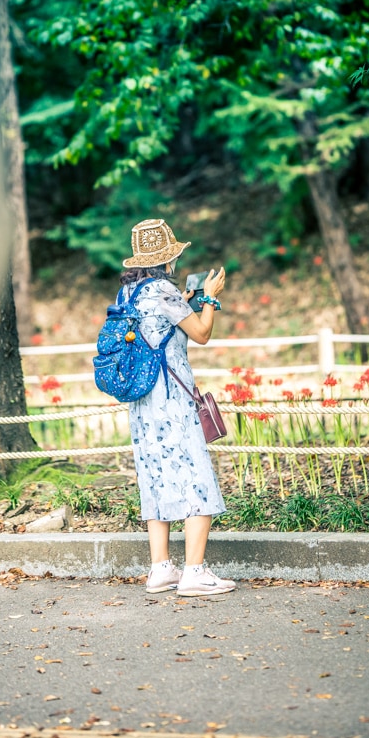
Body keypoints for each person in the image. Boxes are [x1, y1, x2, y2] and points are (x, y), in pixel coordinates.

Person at [119, 217, 236, 597]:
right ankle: (195, 573)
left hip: (142, 402)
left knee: (155, 476)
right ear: (167, 259)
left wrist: (181, 305)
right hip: (172, 399)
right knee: (195, 475)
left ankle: (160, 570)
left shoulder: (129, 294)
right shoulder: (164, 290)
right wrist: (210, 297)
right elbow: (201, 334)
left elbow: (158, 328)